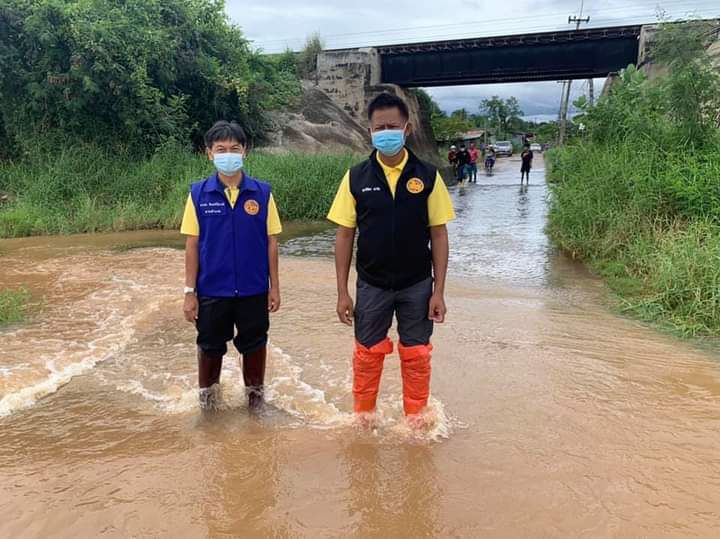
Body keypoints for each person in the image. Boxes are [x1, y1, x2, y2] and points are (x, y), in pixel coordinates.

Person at [327, 93, 455, 427]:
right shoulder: (355, 178)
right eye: (380, 128)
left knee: (416, 354)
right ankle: (363, 419)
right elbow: (344, 235)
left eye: (393, 127)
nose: (386, 133)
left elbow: (439, 234)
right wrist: (342, 292)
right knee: (367, 354)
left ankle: (416, 422)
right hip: (372, 284)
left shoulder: (428, 176)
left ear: (407, 129)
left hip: (418, 285)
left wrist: (439, 291)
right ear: (369, 131)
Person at [180, 120, 282, 411]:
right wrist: (189, 292)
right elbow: (192, 245)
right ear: (209, 153)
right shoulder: (198, 194)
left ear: (245, 151)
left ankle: (256, 404)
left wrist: (274, 287)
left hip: (253, 289)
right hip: (212, 290)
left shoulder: (262, 193)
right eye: (221, 149)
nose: (228, 155)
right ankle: (208, 407)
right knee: (210, 346)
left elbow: (271, 242)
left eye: (234, 148)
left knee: (255, 344)